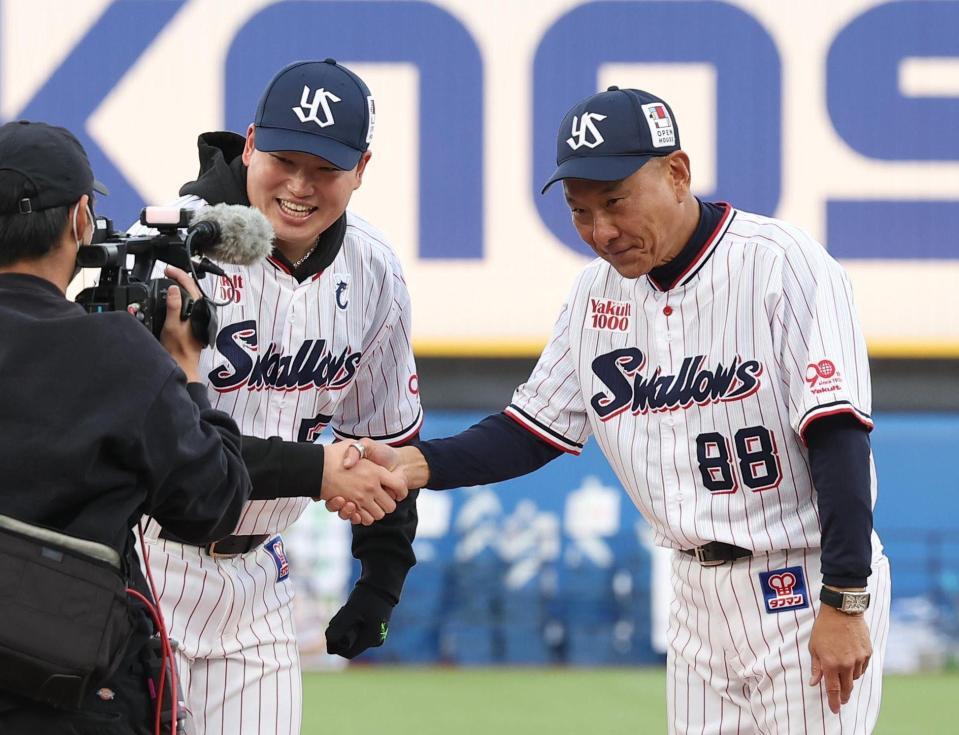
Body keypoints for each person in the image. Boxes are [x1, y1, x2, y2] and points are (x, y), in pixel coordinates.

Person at [334, 88, 891, 734]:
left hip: (801, 578)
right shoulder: (594, 295)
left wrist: (844, 598)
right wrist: (412, 464)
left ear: (676, 173)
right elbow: (529, 431)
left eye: (615, 201)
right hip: (692, 596)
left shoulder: (781, 265)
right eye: (580, 211)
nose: (600, 230)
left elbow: (836, 434)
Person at [133, 59, 422, 735]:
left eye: (323, 168)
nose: (298, 186)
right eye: (283, 159)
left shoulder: (374, 271)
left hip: (259, 578)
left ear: (361, 167)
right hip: (146, 560)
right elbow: (174, 450)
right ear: (252, 140)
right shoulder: (173, 250)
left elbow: (386, 442)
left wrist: (380, 578)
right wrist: (317, 472)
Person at [0, 120, 252, 733]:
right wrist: (187, 370)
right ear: (80, 219)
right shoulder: (117, 355)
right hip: (70, 687)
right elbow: (213, 502)